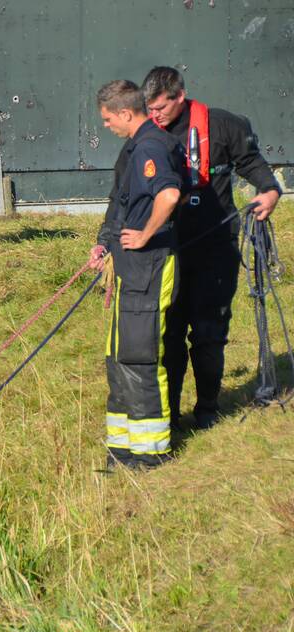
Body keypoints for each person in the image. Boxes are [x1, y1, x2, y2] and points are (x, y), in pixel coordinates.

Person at [141, 66, 283, 429]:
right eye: (150, 108)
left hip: (215, 249)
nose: (155, 115)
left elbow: (251, 163)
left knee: (208, 334)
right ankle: (169, 416)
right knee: (168, 337)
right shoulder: (146, 136)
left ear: (180, 95)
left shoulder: (223, 125)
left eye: (161, 108)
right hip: (166, 250)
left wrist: (269, 191)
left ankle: (207, 410)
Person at [87, 80, 186, 470]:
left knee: (139, 358)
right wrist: (105, 243)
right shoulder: (136, 147)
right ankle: (123, 450)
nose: (107, 126)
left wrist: (145, 234)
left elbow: (169, 195)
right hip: (127, 268)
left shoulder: (149, 148)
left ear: (125, 113)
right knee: (119, 355)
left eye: (108, 119)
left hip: (149, 267)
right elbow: (122, 204)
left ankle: (151, 454)